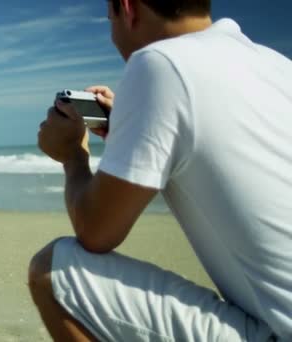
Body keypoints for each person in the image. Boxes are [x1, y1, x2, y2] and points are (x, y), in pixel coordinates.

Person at [30, 0, 292, 341]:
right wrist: (126, 129)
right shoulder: (276, 64)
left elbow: (95, 232)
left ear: (128, 9)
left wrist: (72, 158)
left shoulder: (159, 62)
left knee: (53, 269)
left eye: (109, 19)